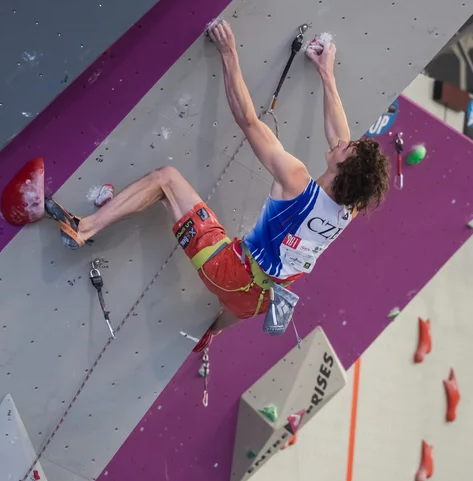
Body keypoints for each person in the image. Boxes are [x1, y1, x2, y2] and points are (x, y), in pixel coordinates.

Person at [45, 20, 390, 350]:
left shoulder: (297, 180)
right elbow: (340, 136)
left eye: (348, 149)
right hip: (255, 304)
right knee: (236, 300)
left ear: (342, 169)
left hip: (230, 271)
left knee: (166, 179)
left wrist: (228, 53)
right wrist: (327, 75)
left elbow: (248, 121)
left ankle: (84, 229)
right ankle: (210, 334)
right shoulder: (350, 206)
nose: (345, 142)